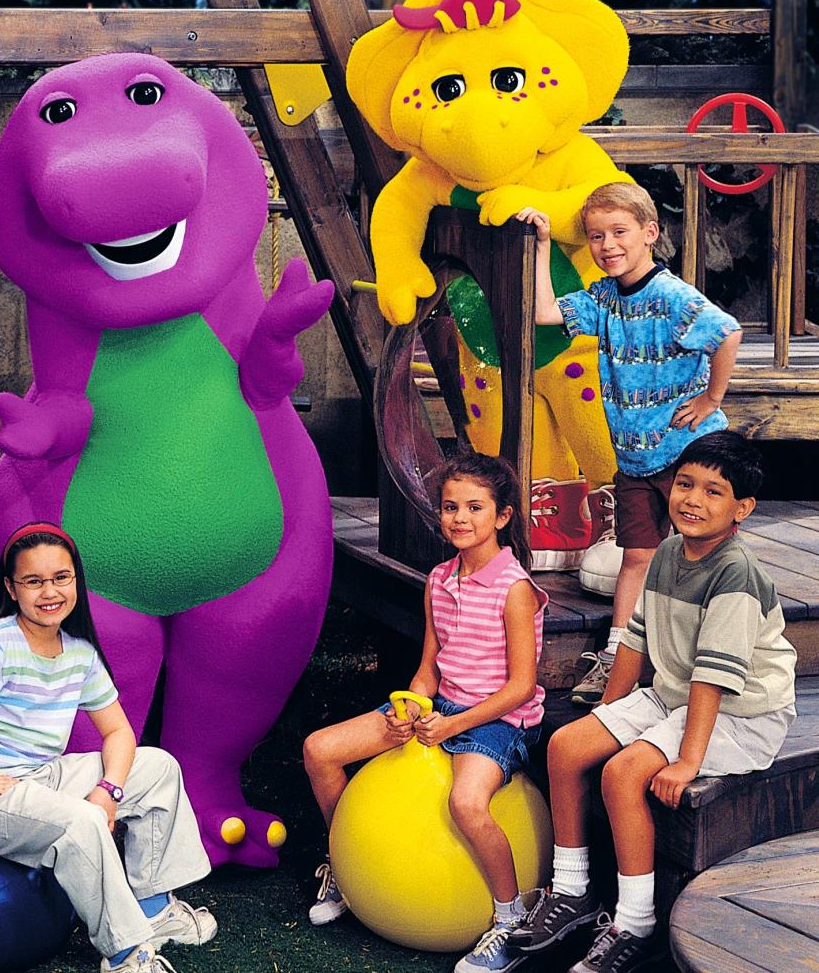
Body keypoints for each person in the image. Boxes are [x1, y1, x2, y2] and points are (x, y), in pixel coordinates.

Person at [506, 431, 796, 973]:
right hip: (674, 695)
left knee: (622, 773)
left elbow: (713, 679)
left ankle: (634, 922)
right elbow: (635, 643)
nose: (692, 499)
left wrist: (687, 760)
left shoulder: (736, 573)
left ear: (743, 509)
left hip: (741, 713)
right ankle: (571, 894)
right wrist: (608, 714)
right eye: (685, 484)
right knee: (568, 746)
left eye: (714, 492)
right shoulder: (666, 552)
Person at [0, 523, 215, 973]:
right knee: (82, 822)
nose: (50, 591)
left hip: (41, 777)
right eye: (34, 581)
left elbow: (119, 733)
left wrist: (108, 791)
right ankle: (126, 954)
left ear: (76, 581)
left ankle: (152, 909)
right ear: (11, 587)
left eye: (61, 578)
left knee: (157, 767)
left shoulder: (79, 652)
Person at [303, 452, 548, 973]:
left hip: (498, 720)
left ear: (502, 517)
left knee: (466, 803)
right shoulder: (440, 578)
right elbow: (427, 670)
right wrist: (409, 709)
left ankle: (510, 920)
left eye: (475, 508)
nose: (460, 518)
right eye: (450, 507)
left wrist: (454, 725)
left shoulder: (516, 591)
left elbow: (522, 687)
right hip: (440, 709)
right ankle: (346, 868)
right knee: (319, 751)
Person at [519, 183, 742, 705]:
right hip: (636, 457)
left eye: (619, 232)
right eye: (597, 236)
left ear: (649, 233)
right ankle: (618, 657)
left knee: (706, 551)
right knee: (637, 557)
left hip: (689, 450)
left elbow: (726, 332)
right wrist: (542, 245)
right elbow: (546, 313)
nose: (607, 245)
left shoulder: (671, 296)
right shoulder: (603, 297)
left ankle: (713, 655)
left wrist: (711, 399)